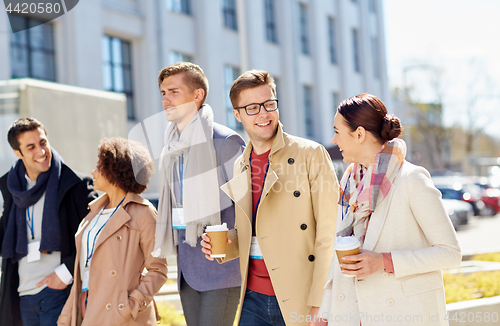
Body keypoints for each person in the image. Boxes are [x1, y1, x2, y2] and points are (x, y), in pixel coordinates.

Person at [201, 70, 339, 326]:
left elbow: (328, 235)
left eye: (269, 104)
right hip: (252, 297)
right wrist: (222, 246)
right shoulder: (240, 164)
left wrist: (321, 302)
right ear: (237, 114)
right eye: (252, 107)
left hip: (300, 295)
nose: (264, 113)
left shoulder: (311, 154)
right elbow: (254, 233)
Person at [316, 94, 461, 326]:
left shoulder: (411, 179)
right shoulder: (348, 183)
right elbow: (339, 258)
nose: (334, 139)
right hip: (351, 315)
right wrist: (324, 314)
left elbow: (450, 253)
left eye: (337, 131)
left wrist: (384, 261)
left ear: (360, 134)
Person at [153, 62, 244, 326]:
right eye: (163, 93)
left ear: (197, 95)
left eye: (173, 91)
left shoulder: (225, 142)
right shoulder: (171, 148)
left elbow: (248, 205)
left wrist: (231, 242)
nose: (165, 99)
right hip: (187, 266)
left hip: (221, 266)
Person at [57, 137, 167, 326]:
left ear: (115, 170)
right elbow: (84, 267)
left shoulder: (143, 213)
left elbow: (158, 269)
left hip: (120, 314)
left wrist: (130, 304)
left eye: (99, 166)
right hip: (86, 304)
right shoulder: (94, 212)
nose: (93, 171)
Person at [0, 118, 97, 326]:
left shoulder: (75, 185)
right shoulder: (11, 189)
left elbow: (96, 233)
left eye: (43, 142)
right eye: (31, 147)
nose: (41, 151)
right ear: (18, 153)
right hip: (23, 294)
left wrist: (66, 273)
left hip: (60, 291)